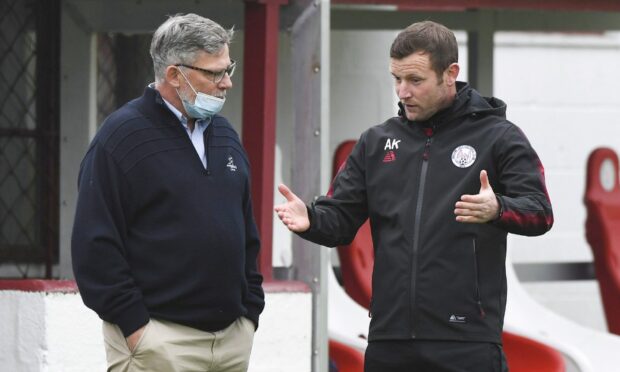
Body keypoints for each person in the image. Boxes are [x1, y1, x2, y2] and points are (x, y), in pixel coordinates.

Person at [275, 20, 553, 372]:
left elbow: (540, 212)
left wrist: (499, 208)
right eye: (396, 79)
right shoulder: (376, 142)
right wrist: (310, 219)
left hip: (466, 342)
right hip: (389, 342)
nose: (402, 91)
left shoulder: (499, 137)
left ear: (450, 73)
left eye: (415, 81)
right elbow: (340, 222)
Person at [72, 14, 264, 372]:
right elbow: (94, 247)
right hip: (160, 343)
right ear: (175, 75)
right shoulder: (120, 137)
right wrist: (137, 329)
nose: (228, 83)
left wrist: (250, 312)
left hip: (232, 341)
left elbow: (245, 231)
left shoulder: (224, 135)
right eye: (214, 73)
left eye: (228, 68)